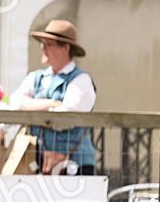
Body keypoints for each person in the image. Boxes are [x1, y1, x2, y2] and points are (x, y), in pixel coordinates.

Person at [7, 19, 97, 176]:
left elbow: (65, 119)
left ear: (66, 48)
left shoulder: (81, 80)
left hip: (75, 164)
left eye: (49, 44)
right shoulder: (36, 77)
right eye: (43, 44)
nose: (43, 49)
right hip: (38, 163)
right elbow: (15, 104)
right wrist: (52, 104)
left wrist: (31, 108)